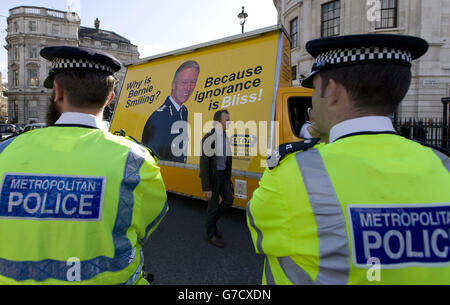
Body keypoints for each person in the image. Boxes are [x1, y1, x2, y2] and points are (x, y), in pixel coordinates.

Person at [247, 34, 450, 284]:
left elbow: (260, 236)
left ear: (332, 92)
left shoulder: (289, 174)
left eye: (313, 90)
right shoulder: (443, 166)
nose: (312, 101)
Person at [0, 46, 168, 285]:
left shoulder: (5, 153)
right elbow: (146, 227)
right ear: (109, 98)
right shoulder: (137, 162)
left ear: (57, 91)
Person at [141, 60, 200, 163]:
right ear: (173, 84)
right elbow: (153, 159)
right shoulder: (160, 116)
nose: (188, 88)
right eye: (184, 82)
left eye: (193, 83)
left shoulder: (183, 111)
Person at [200, 110, 234, 248]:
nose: (229, 122)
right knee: (213, 208)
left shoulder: (225, 136)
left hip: (223, 176)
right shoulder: (209, 139)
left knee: (228, 201)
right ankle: (210, 235)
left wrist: (228, 177)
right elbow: (204, 165)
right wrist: (206, 188)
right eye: (227, 119)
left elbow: (227, 159)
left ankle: (212, 224)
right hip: (213, 178)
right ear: (219, 122)